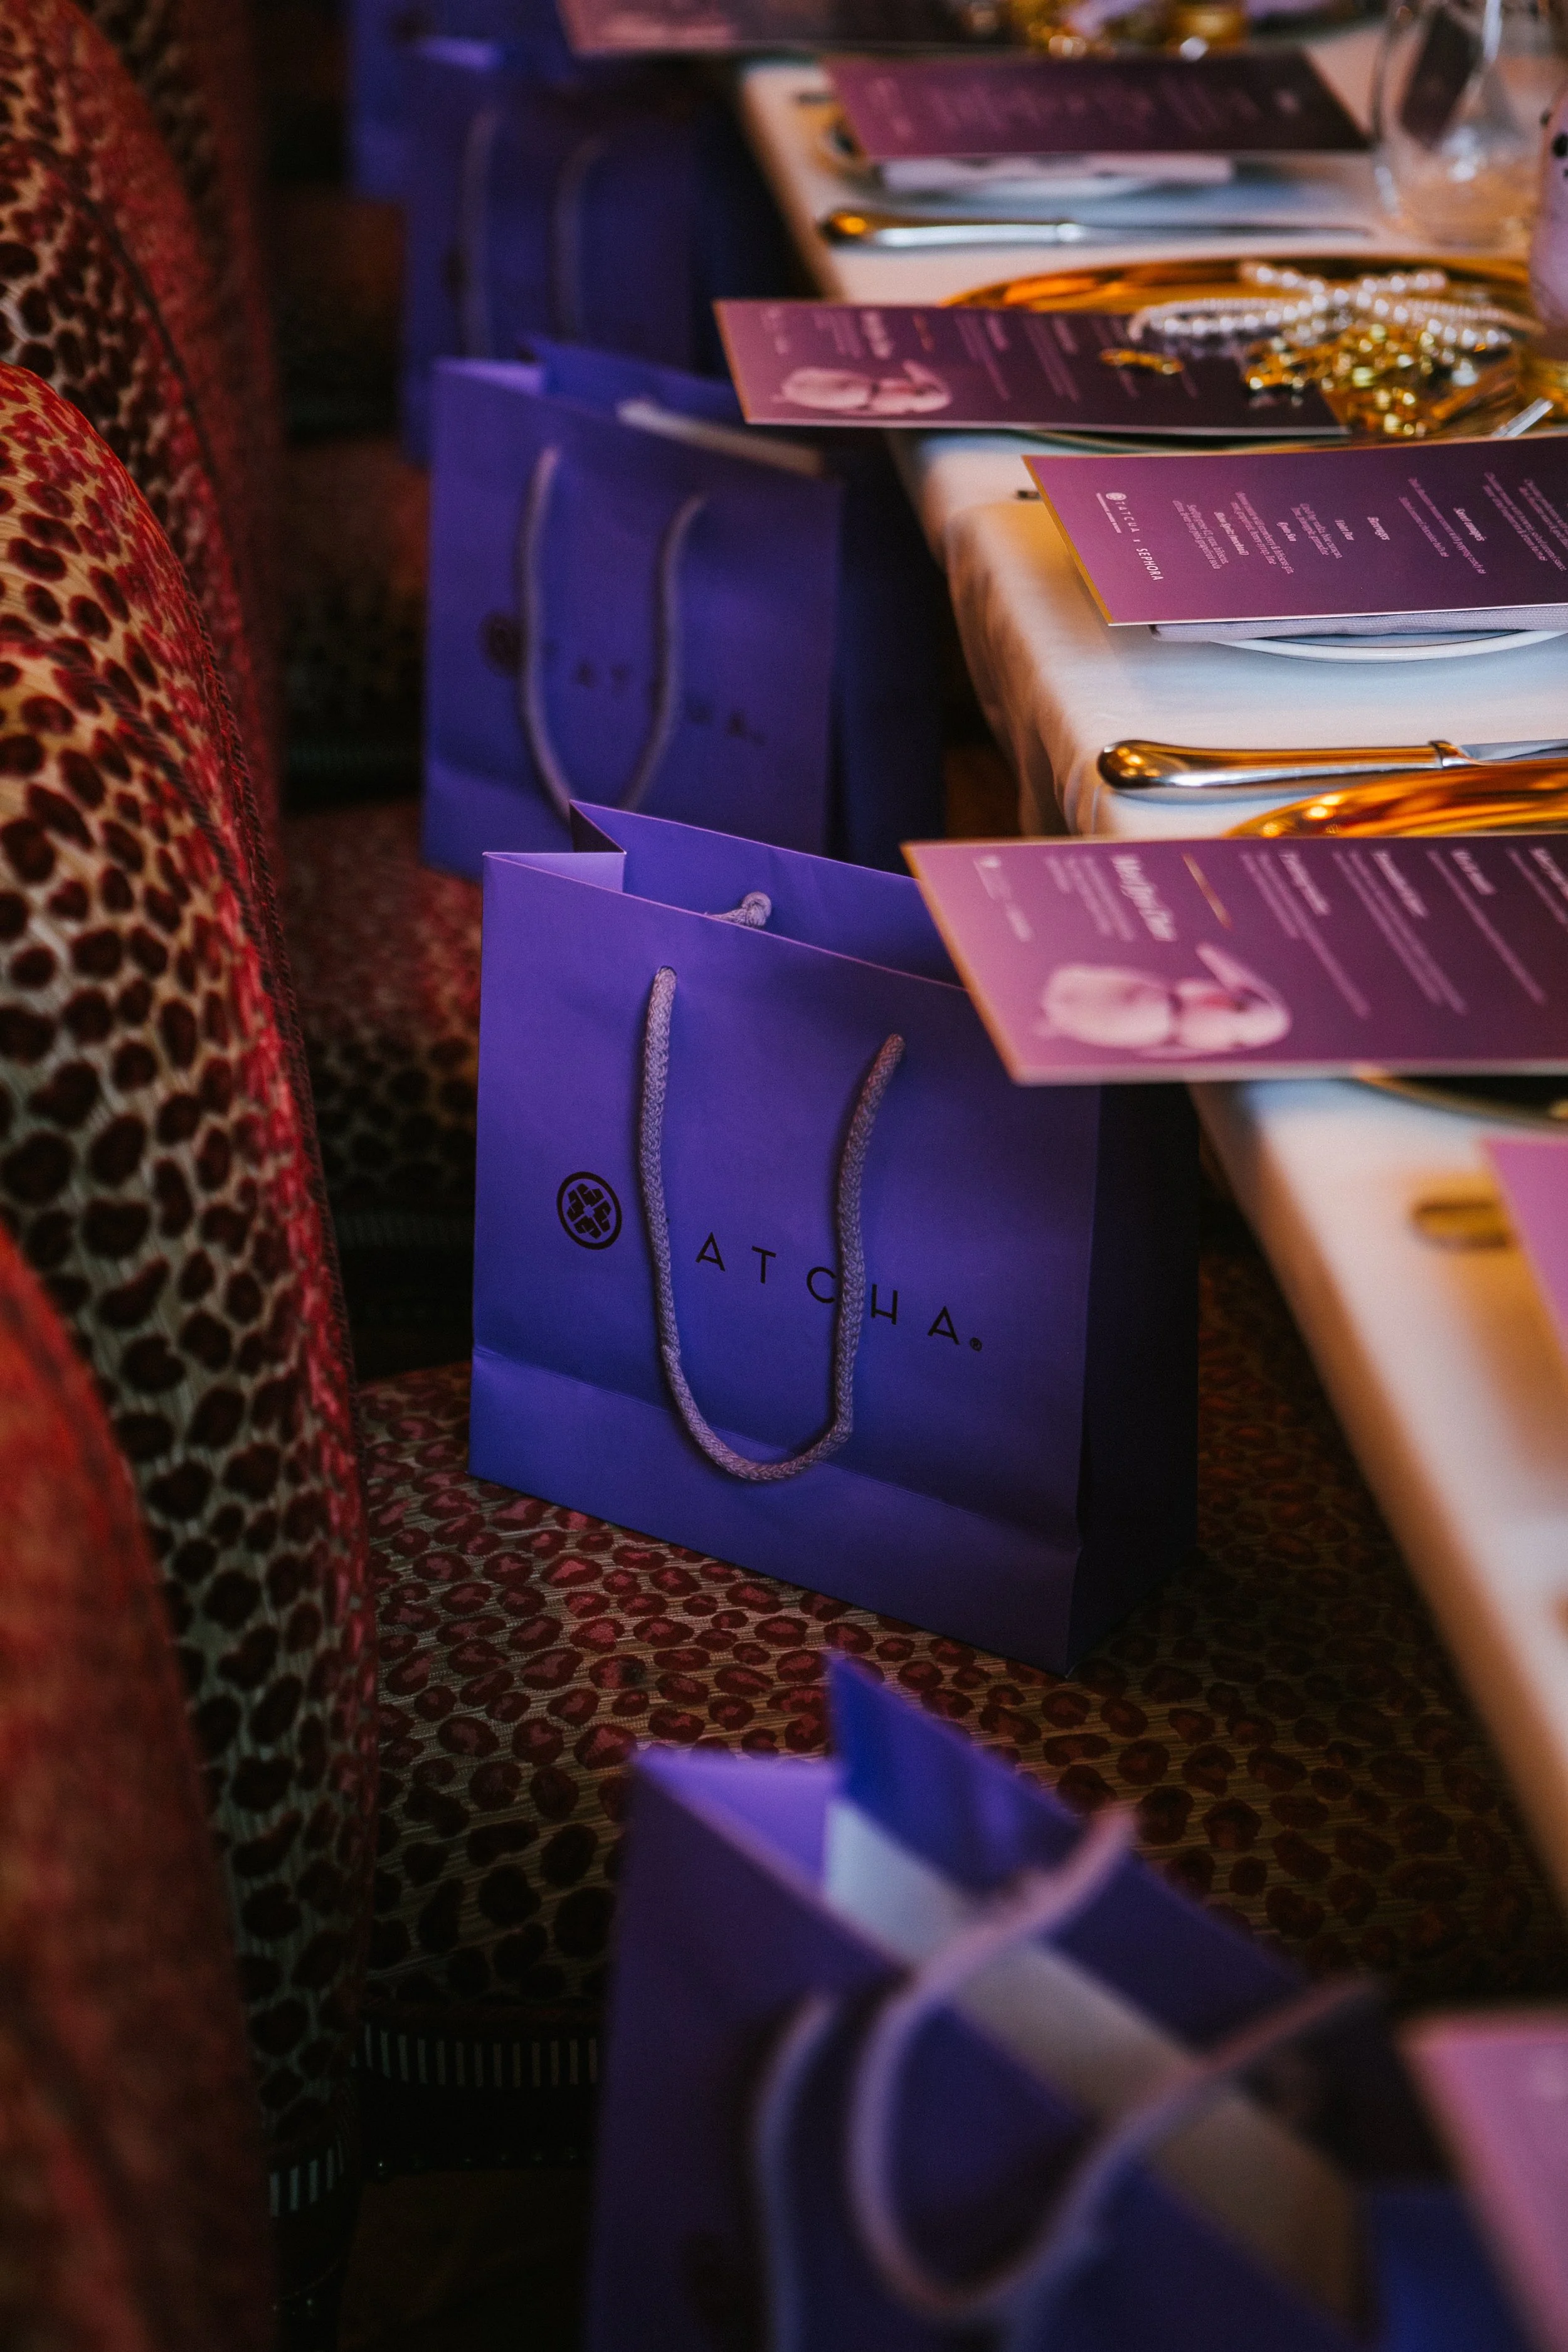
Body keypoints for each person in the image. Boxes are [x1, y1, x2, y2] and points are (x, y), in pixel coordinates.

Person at [1038, 942, 1291, 1056]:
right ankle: (1056, 1015)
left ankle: (1056, 1011)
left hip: (1159, 1009)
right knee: (1085, 1005)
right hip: (1157, 1023)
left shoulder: (1251, 1013)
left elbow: (1221, 963)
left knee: (1085, 997)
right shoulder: (1240, 1035)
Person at [778, 360, 953, 417]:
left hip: (863, 395)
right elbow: (910, 366)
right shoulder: (921, 394)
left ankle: (786, 392)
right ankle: (786, 389)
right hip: (866, 389)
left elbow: (911, 366)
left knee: (815, 390)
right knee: (817, 381)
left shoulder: (929, 397)